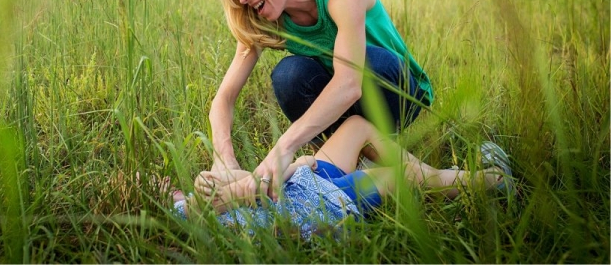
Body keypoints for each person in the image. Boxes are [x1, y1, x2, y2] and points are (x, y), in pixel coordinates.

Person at [210, 0, 433, 200]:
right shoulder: (262, 18)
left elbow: (348, 84)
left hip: (396, 91)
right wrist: (224, 160)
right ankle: (341, 156)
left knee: (371, 63)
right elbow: (224, 98)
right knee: (290, 74)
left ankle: (379, 151)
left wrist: (284, 147)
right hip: (344, 102)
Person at [172, 115, 513, 239]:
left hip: (304, 184)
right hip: (315, 202)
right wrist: (298, 162)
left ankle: (441, 175)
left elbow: (249, 183)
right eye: (158, 188)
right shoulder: (197, 209)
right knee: (396, 176)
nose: (168, 186)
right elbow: (261, 187)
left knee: (356, 127)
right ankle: (490, 182)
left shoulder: (190, 206)